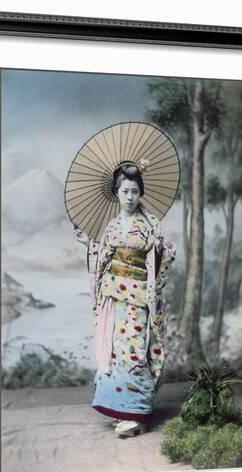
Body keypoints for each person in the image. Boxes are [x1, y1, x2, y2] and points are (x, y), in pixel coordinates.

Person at [74, 160, 176, 437]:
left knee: (135, 351)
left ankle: (137, 413)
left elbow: (167, 255)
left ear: (141, 192)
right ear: (116, 193)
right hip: (114, 296)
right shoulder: (112, 226)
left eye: (134, 191)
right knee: (116, 351)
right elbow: (104, 256)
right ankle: (121, 410)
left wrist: (157, 250)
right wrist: (89, 244)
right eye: (124, 191)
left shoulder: (151, 225)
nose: (130, 197)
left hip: (139, 297)